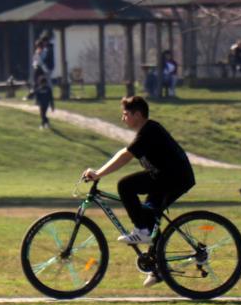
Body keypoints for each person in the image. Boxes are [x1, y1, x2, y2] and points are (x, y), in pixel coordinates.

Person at [83, 95, 196, 287]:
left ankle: (141, 231)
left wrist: (99, 174)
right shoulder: (145, 132)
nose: (122, 118)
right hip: (168, 178)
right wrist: (99, 172)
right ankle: (159, 268)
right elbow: (123, 152)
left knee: (125, 185)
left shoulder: (150, 130)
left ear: (137, 114)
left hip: (173, 178)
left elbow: (126, 156)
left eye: (125, 114)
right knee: (149, 215)